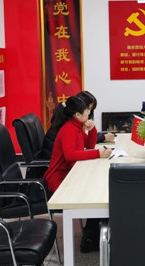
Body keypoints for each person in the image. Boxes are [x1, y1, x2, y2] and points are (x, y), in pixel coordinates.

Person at [42, 95, 111, 253]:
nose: (89, 114)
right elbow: (70, 155)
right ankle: (90, 237)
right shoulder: (68, 129)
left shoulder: (77, 126)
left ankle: (92, 233)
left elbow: (89, 145)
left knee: (96, 189)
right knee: (93, 193)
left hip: (71, 172)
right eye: (87, 111)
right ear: (78, 115)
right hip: (59, 178)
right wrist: (98, 154)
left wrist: (92, 130)